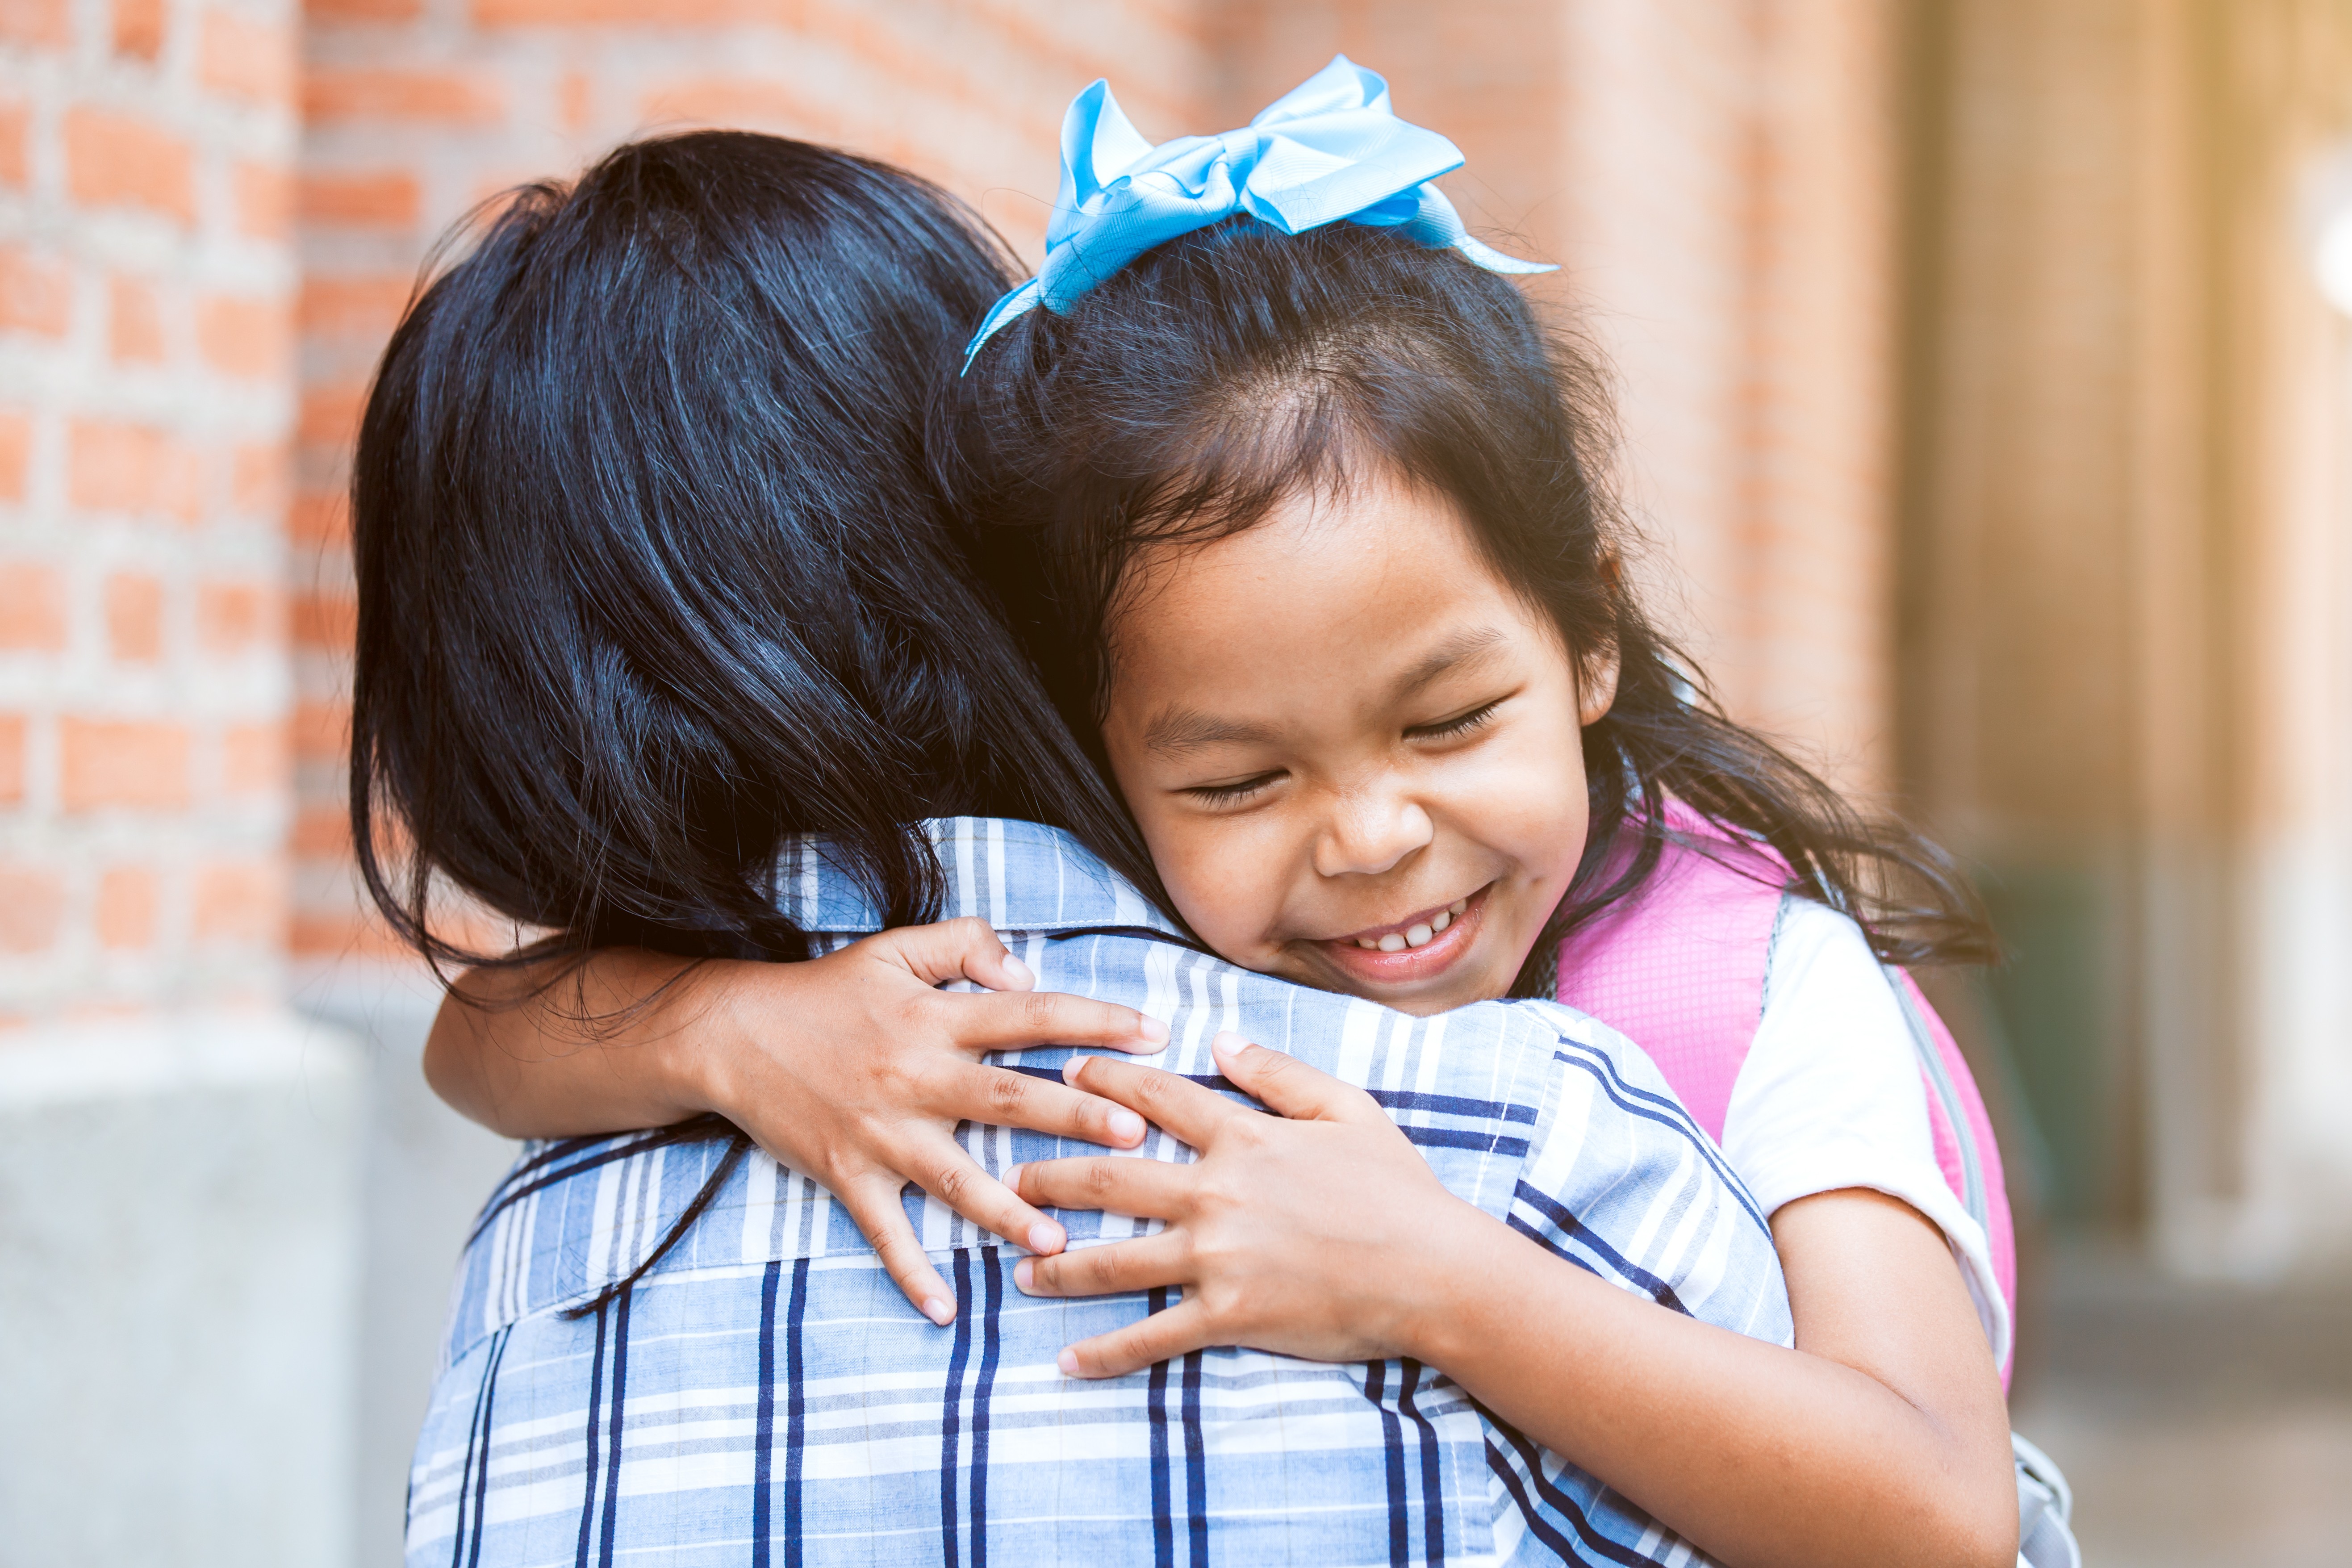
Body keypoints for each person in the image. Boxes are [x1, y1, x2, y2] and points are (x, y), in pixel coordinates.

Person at [419, 65, 2065, 1567]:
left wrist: (1442, 1279)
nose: (1363, 834)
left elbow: (1936, 1510)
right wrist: (730, 1029)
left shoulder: (1739, 987)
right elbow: (474, 1034)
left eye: (1447, 719)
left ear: (1586, 643)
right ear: (1092, 735)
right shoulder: (1141, 957)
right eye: (1236, 780)